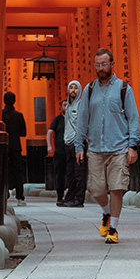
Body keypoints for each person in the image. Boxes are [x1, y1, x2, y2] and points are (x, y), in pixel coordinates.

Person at [74, 48, 140, 244]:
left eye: (104, 64)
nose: (101, 68)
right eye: (98, 64)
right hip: (95, 148)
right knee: (96, 189)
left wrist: (133, 145)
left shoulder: (123, 89)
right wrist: (79, 145)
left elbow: (133, 118)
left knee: (117, 188)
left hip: (118, 148)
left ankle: (113, 229)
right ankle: (106, 213)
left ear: (112, 64)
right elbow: (83, 119)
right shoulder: (90, 89)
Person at [61, 79, 86, 207]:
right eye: (71, 88)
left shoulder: (81, 105)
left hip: (78, 143)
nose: (73, 91)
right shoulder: (68, 107)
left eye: (76, 88)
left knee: (79, 173)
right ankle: (69, 197)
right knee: (70, 172)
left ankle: (79, 199)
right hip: (68, 143)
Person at [1, 91, 27, 204]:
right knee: (18, 171)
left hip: (3, 145)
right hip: (16, 145)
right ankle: (20, 197)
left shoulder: (0, 114)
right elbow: (23, 132)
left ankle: (4, 193)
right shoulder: (18, 115)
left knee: (3, 169)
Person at [49, 99, 69, 205]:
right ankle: (60, 196)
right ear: (61, 108)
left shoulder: (74, 119)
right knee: (60, 174)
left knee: (71, 174)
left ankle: (70, 195)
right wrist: (49, 146)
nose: (66, 107)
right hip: (60, 151)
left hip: (71, 151)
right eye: (64, 105)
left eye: (68, 105)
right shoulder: (57, 119)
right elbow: (50, 132)